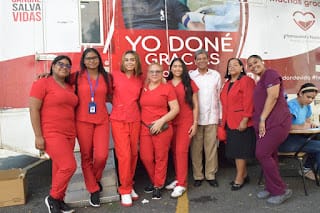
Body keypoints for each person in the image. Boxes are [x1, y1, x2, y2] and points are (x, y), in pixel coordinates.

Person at [29, 55, 77, 213]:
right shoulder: (42, 83)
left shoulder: (70, 86)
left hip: (69, 133)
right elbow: (34, 109)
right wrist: (38, 135)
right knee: (69, 166)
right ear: (52, 66)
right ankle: (53, 197)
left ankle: (59, 201)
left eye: (67, 66)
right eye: (60, 64)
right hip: (52, 132)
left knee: (58, 169)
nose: (64, 67)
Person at [247, 54, 292, 204]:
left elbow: (272, 97)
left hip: (276, 122)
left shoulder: (271, 74)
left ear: (262, 62)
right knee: (270, 155)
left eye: (255, 62)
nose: (253, 66)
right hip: (265, 123)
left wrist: (262, 119)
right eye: (250, 65)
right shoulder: (260, 80)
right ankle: (271, 187)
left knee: (262, 153)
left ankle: (281, 190)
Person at [74, 48, 112, 207]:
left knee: (102, 155)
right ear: (83, 61)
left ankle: (94, 179)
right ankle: (93, 189)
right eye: (88, 58)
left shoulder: (107, 77)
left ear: (99, 59)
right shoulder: (76, 76)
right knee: (86, 156)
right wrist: (45, 76)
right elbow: (58, 80)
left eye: (94, 58)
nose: (92, 60)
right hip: (82, 120)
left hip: (102, 120)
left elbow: (112, 95)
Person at [139, 62, 179, 200]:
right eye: (151, 71)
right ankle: (156, 180)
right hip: (145, 127)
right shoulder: (143, 88)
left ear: (162, 73)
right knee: (146, 157)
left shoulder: (167, 88)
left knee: (161, 158)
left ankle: (157, 185)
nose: (154, 74)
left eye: (157, 71)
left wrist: (161, 121)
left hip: (162, 128)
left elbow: (175, 109)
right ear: (148, 74)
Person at [110, 50, 143, 206]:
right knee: (124, 156)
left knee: (133, 154)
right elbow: (106, 93)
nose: (130, 62)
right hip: (118, 119)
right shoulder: (114, 76)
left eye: (133, 60)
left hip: (135, 118)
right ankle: (124, 190)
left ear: (136, 62)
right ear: (123, 62)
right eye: (127, 60)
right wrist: (118, 104)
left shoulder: (140, 79)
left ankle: (129, 185)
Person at [220, 58, 256, 191]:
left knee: (240, 152)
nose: (232, 67)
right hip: (230, 121)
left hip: (241, 122)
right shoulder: (227, 83)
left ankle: (239, 178)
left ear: (242, 68)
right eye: (229, 65)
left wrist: (245, 119)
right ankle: (244, 174)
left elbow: (249, 101)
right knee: (235, 151)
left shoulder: (246, 81)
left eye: (235, 65)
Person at [165, 58, 199, 198]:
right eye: (175, 66)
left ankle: (182, 184)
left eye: (180, 66)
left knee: (181, 151)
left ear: (183, 69)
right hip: (171, 122)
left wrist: (195, 123)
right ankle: (179, 178)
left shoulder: (189, 83)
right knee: (174, 152)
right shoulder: (166, 83)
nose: (177, 68)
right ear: (171, 68)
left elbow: (196, 104)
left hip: (186, 121)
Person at [189, 49, 221, 187]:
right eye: (199, 58)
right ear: (195, 61)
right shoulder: (191, 76)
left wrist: (220, 116)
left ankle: (210, 175)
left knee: (211, 148)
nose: (201, 60)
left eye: (204, 58)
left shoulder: (215, 75)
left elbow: (219, 97)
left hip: (212, 117)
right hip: (195, 118)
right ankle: (198, 175)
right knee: (196, 149)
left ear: (208, 60)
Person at [279, 83, 320, 180]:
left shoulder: (307, 106)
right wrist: (302, 126)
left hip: (299, 138)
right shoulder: (291, 106)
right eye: (308, 97)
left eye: (313, 98)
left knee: (318, 138)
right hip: (286, 141)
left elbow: (307, 121)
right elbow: (285, 126)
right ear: (301, 93)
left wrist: (311, 124)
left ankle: (307, 168)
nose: (310, 100)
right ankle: (307, 169)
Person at [121, 0, 203, 30]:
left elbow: (190, 23)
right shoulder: (119, 5)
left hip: (165, 50)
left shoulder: (171, 3)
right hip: (130, 52)